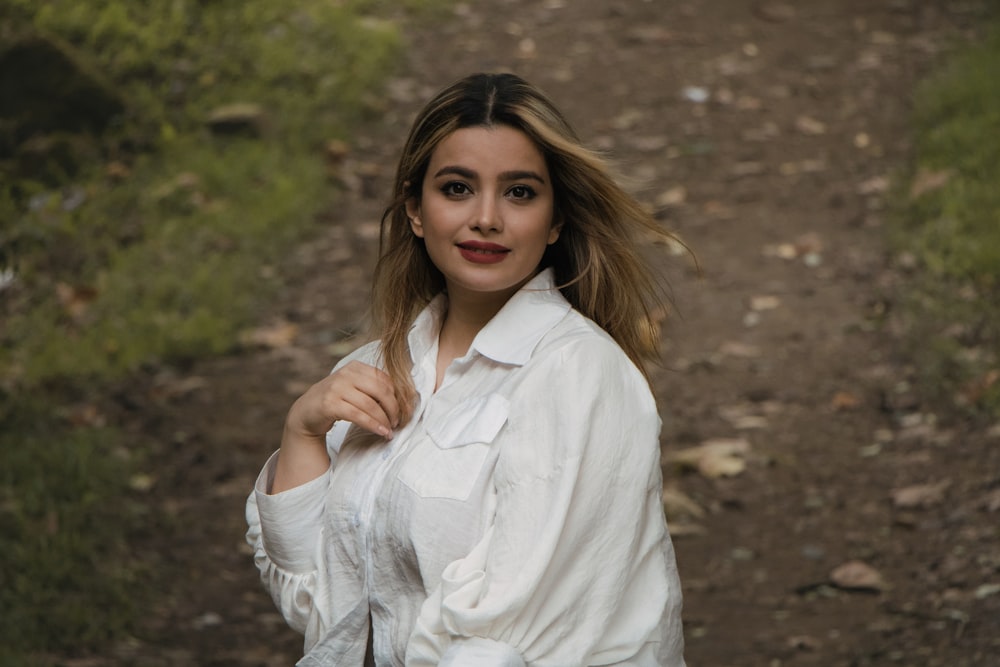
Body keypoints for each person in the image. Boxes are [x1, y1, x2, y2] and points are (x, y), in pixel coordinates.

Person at [245, 72, 687, 666]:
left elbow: (508, 641)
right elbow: (324, 611)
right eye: (457, 188)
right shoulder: (374, 366)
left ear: (556, 222)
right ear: (415, 210)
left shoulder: (578, 375)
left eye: (520, 193)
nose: (486, 218)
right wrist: (302, 430)